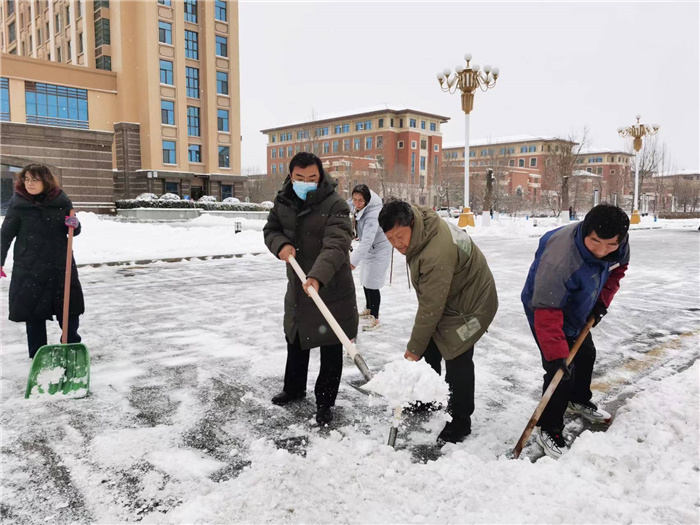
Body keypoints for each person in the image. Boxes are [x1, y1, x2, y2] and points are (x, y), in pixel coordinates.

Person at [377, 200, 498, 443]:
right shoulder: (420, 225)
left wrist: (412, 351)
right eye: (390, 239)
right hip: (453, 293)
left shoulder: (435, 253)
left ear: (412, 224)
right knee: (430, 345)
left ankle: (460, 420)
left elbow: (431, 309)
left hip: (472, 306)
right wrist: (418, 348)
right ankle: (427, 398)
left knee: (457, 354)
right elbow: (431, 306)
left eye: (400, 236)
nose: (397, 244)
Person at [521, 203, 630, 459]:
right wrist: (555, 353)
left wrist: (601, 302)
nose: (602, 251)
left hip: (582, 303)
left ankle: (578, 400)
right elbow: (547, 309)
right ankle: (549, 427)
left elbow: (617, 270)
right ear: (585, 230)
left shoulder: (618, 243)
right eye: (595, 242)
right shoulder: (560, 258)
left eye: (610, 245)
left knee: (586, 354)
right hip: (545, 307)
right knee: (560, 371)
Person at [263, 152, 358, 426]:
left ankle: (325, 402)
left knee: (330, 345)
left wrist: (317, 275)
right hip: (298, 283)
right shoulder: (283, 201)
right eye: (300, 177)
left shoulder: (335, 204)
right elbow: (271, 229)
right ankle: (293, 388)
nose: (306, 182)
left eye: (312, 178)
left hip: (330, 285)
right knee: (296, 338)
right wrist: (281, 244)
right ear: (291, 176)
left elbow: (337, 243)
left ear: (321, 176)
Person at [0, 164, 84, 359]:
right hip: (30, 267)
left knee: (69, 309)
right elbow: (5, 235)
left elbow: (73, 230)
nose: (29, 184)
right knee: (33, 312)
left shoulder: (61, 201)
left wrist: (75, 225)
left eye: (35, 180)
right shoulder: (18, 204)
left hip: (60, 265)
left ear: (45, 181)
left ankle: (71, 346)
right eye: (26, 179)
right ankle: (38, 355)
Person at [350, 184, 392, 331]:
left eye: (360, 200)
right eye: (354, 199)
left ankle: (375, 318)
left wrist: (353, 262)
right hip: (370, 249)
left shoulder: (373, 215)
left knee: (372, 284)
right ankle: (368, 309)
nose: (357, 203)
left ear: (367, 200)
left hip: (378, 250)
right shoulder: (363, 208)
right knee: (366, 280)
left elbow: (367, 240)